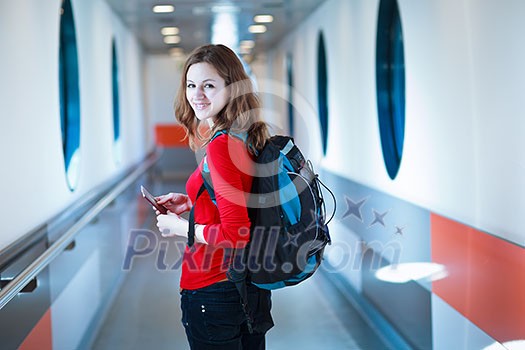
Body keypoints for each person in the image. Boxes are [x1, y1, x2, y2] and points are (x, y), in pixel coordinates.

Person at [154, 44, 274, 350]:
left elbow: (237, 233)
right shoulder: (247, 135)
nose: (197, 95)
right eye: (191, 85)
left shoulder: (221, 146)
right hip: (247, 286)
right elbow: (243, 198)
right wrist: (194, 203)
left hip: (213, 286)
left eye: (209, 85)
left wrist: (179, 228)